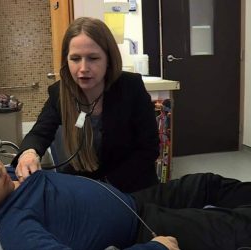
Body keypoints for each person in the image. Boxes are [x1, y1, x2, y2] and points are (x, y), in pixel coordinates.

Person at [0, 135, 251, 250]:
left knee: (204, 182)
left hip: (132, 200)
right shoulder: (15, 229)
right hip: (142, 227)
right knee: (230, 226)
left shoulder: (4, 180)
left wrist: (25, 157)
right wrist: (154, 249)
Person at [12, 17, 160, 193]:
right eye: (75, 58)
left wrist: (105, 185)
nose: (83, 68)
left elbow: (149, 149)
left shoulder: (130, 87)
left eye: (93, 58)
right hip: (88, 186)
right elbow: (39, 132)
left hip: (133, 187)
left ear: (109, 59)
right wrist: (29, 153)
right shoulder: (60, 93)